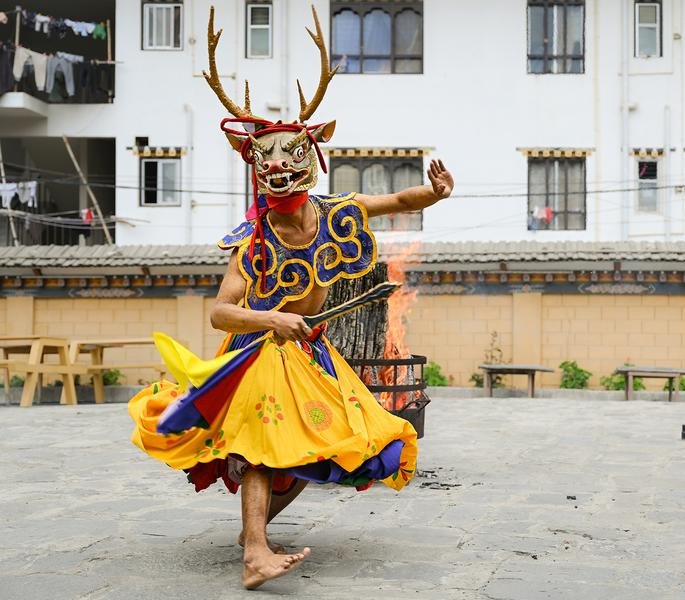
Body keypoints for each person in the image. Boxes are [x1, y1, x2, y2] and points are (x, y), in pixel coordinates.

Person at [128, 7, 453, 590]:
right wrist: (271, 318)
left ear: (309, 158)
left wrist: (435, 191)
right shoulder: (252, 241)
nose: (277, 164)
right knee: (263, 441)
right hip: (258, 351)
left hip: (311, 351)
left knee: (318, 446)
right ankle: (255, 551)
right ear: (256, 164)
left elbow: (398, 203)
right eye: (267, 156)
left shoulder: (335, 214)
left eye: (288, 155)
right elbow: (221, 311)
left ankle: (254, 533)